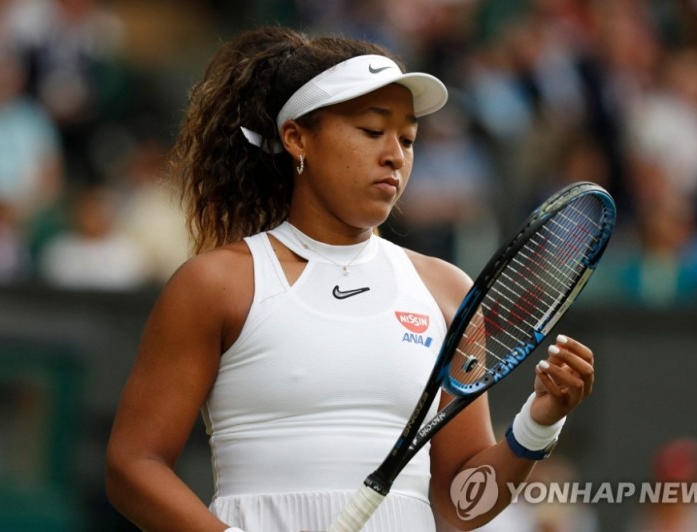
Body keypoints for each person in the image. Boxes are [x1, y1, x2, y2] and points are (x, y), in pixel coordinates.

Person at [105, 26, 596, 532]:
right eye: (371, 130)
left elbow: (461, 504)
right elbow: (132, 466)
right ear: (297, 138)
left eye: (408, 139)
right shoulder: (216, 284)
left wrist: (539, 423)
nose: (395, 154)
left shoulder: (447, 292)